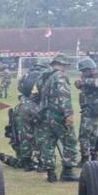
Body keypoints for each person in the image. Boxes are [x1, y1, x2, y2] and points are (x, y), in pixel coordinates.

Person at [38, 53, 80, 182]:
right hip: (58, 115)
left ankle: (51, 173)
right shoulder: (60, 76)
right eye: (65, 65)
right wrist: (68, 114)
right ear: (61, 64)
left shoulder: (45, 78)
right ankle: (67, 172)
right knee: (70, 141)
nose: (66, 68)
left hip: (45, 115)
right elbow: (64, 95)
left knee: (48, 143)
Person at [75, 58, 98, 165]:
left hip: (92, 110)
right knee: (92, 135)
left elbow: (96, 83)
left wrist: (82, 82)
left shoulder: (97, 77)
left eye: (84, 71)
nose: (83, 73)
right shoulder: (88, 78)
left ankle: (86, 158)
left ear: (90, 69)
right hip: (87, 109)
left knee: (85, 136)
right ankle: (93, 157)